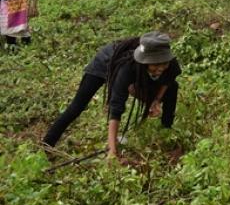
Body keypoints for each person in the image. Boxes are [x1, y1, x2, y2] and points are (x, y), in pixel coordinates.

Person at [43, 32, 181, 161]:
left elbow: (168, 80)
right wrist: (112, 151)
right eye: (155, 67)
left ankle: (166, 132)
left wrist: (156, 101)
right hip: (105, 63)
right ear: (144, 62)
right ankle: (46, 145)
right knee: (77, 106)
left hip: (130, 74)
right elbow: (116, 107)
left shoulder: (170, 63)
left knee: (173, 88)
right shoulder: (128, 68)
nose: (160, 69)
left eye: (164, 65)